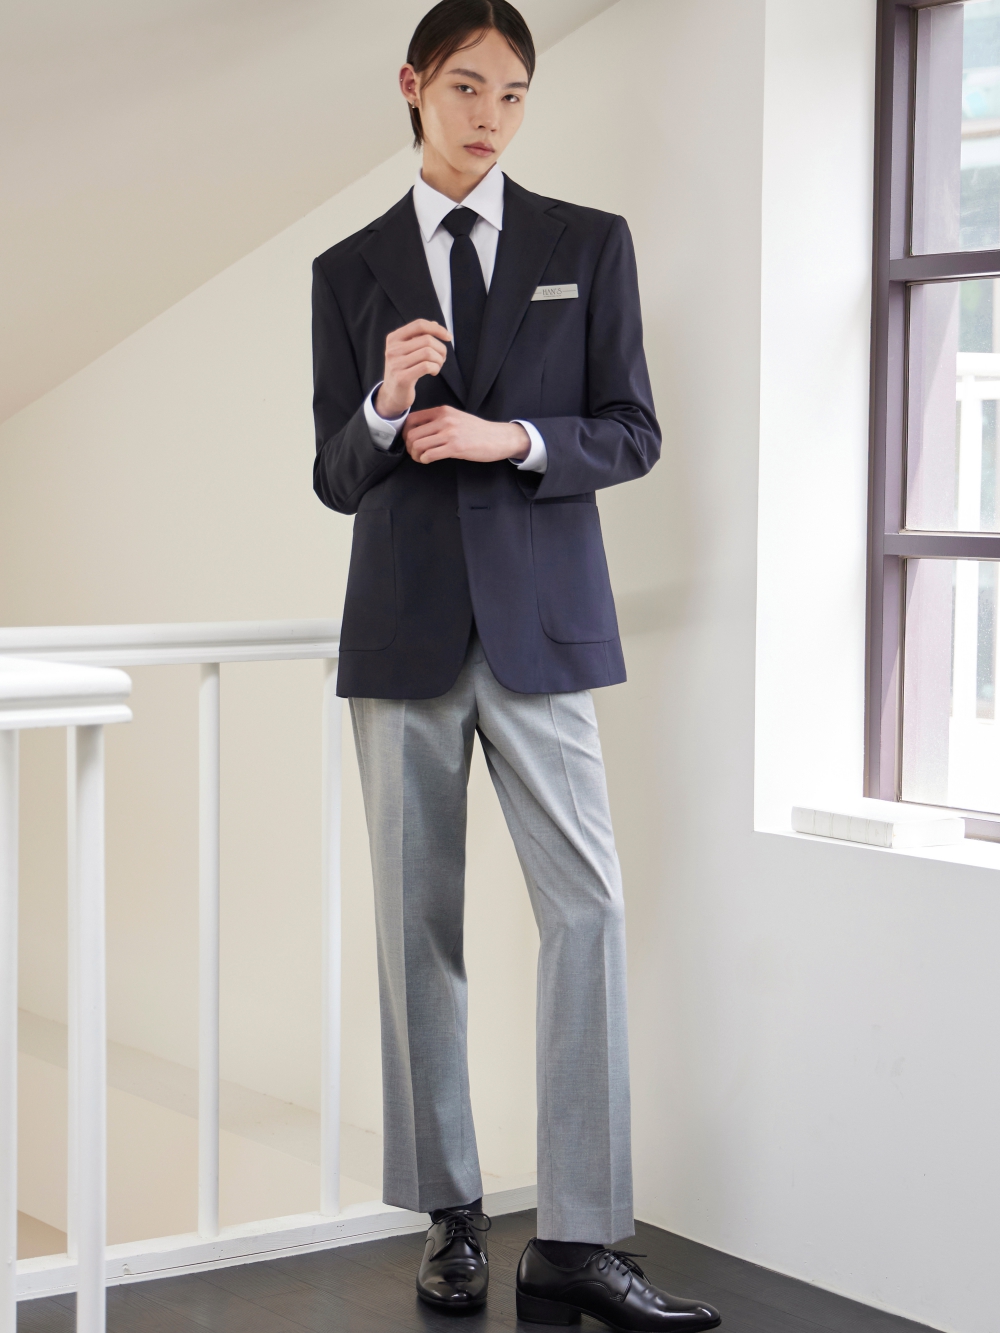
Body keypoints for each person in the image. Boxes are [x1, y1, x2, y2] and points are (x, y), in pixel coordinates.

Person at [311, 2, 720, 1328]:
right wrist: (384, 404)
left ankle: (579, 1238)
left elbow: (631, 431)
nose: (490, 115)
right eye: (467, 87)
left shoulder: (586, 244)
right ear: (413, 86)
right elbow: (334, 474)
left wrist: (510, 439)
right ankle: (449, 1217)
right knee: (416, 929)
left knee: (586, 911)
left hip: (544, 628)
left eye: (514, 94)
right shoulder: (349, 268)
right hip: (405, 635)